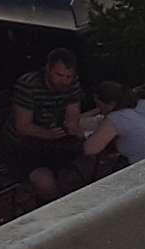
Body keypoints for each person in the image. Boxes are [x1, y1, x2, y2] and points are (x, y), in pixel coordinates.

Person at [8, 47, 91, 198]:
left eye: (68, 76)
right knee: (45, 183)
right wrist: (48, 134)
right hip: (25, 145)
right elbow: (22, 126)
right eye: (59, 75)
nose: (64, 81)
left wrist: (74, 128)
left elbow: (72, 115)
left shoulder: (72, 83)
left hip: (57, 141)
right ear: (48, 69)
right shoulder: (29, 85)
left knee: (87, 165)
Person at [82, 82, 145, 170]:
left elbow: (90, 149)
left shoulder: (116, 118)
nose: (99, 108)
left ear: (111, 103)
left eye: (99, 104)